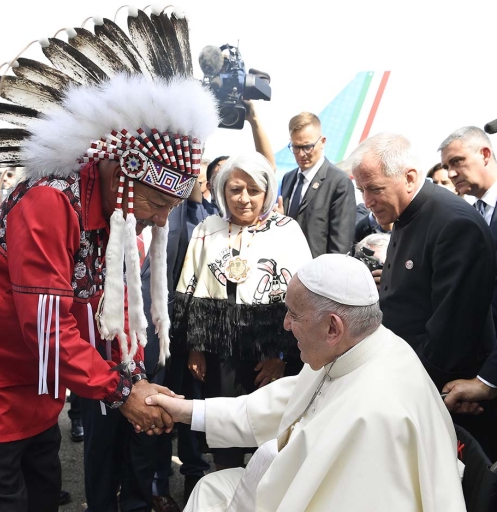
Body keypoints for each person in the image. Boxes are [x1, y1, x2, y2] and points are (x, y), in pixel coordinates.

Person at [0, 7, 220, 511]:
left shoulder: (103, 217)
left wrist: (132, 378)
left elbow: (107, 312)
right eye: (159, 202)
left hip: (36, 398)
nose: (163, 220)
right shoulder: (50, 202)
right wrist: (122, 393)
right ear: (125, 174)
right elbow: (48, 326)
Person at [148, 254, 466, 512]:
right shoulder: (351, 349)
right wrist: (184, 410)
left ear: (332, 327)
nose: (285, 324)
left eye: (294, 315)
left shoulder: (378, 412)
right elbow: (283, 405)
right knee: (210, 487)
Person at [349, 132, 497, 459]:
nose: (367, 201)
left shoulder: (452, 223)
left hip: (438, 396)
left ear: (409, 178)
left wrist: (408, 389)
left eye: (374, 189)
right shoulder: (406, 215)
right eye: (362, 190)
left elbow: (451, 336)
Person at [172, 151, 312, 473]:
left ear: (267, 192)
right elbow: (189, 288)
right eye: (235, 189)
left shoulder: (287, 229)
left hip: (271, 358)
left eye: (253, 190)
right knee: (226, 446)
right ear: (221, 190)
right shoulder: (208, 227)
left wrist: (280, 353)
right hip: (221, 358)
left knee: (272, 447)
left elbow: (304, 299)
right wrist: (196, 346)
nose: (244, 198)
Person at [437, 127, 497, 422]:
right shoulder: (471, 215)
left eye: (457, 161)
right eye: (447, 166)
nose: (450, 173)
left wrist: (488, 382)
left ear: (485, 154)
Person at [280, 112, 356, 257]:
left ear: (322, 141)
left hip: (318, 274)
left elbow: (340, 246)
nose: (301, 154)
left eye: (307, 147)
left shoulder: (339, 182)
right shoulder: (288, 179)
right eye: (295, 147)